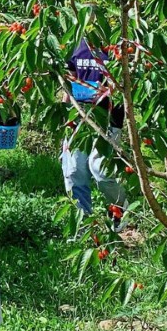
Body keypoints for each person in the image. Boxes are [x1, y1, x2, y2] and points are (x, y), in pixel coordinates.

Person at [61, 38, 124, 217]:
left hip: (109, 118)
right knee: (74, 172)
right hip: (79, 116)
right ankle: (83, 223)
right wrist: (66, 114)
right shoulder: (75, 42)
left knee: (100, 170)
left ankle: (120, 207)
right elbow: (70, 81)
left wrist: (111, 89)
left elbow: (126, 83)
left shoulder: (117, 43)